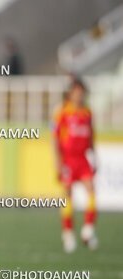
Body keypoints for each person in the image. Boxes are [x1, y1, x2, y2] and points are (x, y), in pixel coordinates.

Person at [52, 78, 98, 253]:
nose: (79, 95)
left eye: (82, 91)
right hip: (68, 159)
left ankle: (88, 229)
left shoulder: (87, 112)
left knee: (91, 190)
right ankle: (68, 234)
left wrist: (94, 155)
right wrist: (57, 162)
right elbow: (55, 138)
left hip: (83, 158)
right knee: (67, 195)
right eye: (76, 91)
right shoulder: (62, 111)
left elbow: (92, 135)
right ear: (70, 93)